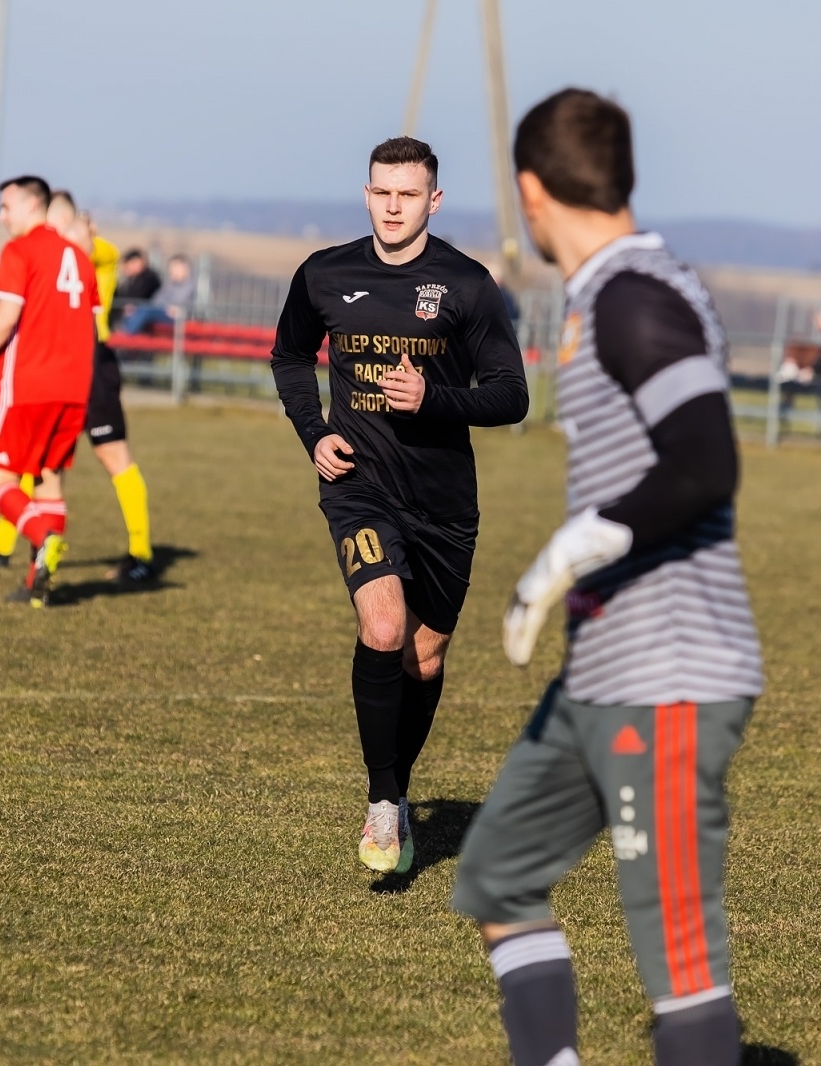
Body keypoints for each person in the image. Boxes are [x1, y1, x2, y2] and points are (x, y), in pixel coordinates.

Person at [452, 88, 763, 1066]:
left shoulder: (633, 296)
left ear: (528, 191)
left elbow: (706, 460)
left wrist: (580, 542)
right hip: (597, 673)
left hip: (667, 671)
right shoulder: (611, 295)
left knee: (679, 967)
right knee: (498, 874)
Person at [270, 135, 527, 874]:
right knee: (383, 627)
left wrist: (433, 398)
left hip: (444, 499)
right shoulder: (325, 273)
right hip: (359, 486)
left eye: (408, 194)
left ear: (433, 201)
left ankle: (398, 790)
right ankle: (383, 802)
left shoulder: (469, 285)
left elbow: (512, 394)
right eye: (382, 191)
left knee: (424, 653)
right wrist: (314, 433)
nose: (393, 205)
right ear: (366, 193)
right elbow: (291, 356)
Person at [0, 190, 156, 585]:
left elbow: (99, 252)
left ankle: (141, 554)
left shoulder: (91, 253)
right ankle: (6, 548)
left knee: (114, 458)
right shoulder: (60, 250)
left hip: (91, 362)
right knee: (39, 463)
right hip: (58, 366)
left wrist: (81, 234)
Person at [0, 176, 99, 606]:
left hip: (28, 384)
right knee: (50, 479)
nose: (1, 216)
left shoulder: (19, 251)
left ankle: (41, 537)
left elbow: (6, 317)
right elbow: (89, 328)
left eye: (6, 206)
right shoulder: (79, 259)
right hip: (73, 389)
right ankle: (39, 585)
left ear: (34, 205)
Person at [117, 254, 195, 335]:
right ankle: (125, 332)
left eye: (175, 267)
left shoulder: (189, 285)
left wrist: (170, 307)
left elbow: (180, 304)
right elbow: (157, 299)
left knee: (144, 309)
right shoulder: (169, 283)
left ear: (185, 268)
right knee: (134, 310)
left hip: (177, 317)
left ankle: (126, 335)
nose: (172, 271)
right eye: (171, 268)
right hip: (163, 310)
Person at [111, 248, 161, 327]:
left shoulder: (149, 277)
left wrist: (130, 306)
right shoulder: (129, 280)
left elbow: (141, 296)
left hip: (142, 313)